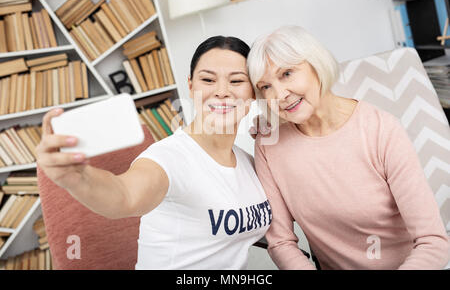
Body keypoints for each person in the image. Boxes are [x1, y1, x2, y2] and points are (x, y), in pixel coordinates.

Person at [36, 36, 271, 270]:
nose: (222, 91)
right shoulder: (169, 158)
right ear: (190, 86)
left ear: (253, 92)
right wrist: (79, 178)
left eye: (237, 81)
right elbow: (125, 195)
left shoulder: (248, 162)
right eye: (208, 79)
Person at [247, 25, 449, 270]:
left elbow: (433, 241)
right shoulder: (269, 144)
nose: (279, 94)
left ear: (316, 65)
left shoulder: (380, 129)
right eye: (265, 87)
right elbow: (281, 243)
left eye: (287, 74)